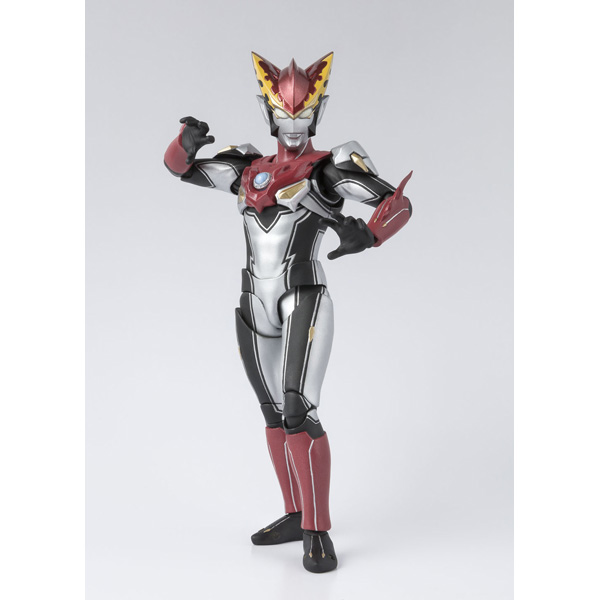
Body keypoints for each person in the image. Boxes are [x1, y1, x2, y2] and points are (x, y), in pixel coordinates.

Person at [164, 51, 412, 573]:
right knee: (274, 413)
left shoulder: (331, 168)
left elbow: (397, 204)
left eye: (303, 114)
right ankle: (296, 514)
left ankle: (317, 530)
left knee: (300, 410)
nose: (293, 124)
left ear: (318, 112)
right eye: (284, 114)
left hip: (303, 295)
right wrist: (185, 142)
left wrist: (368, 235)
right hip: (254, 299)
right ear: (268, 113)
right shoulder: (246, 167)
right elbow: (180, 171)